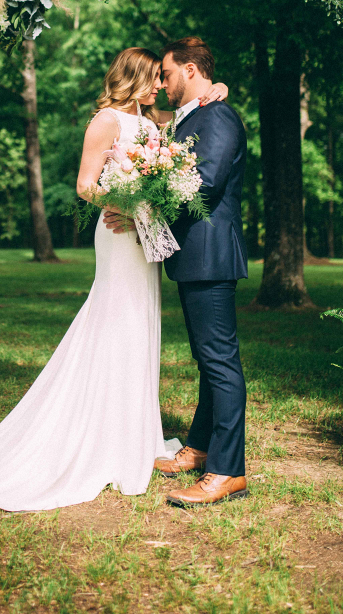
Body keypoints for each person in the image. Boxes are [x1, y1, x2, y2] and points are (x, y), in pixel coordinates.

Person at [0, 46, 227, 511]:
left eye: (164, 79)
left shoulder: (153, 120)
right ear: (135, 78)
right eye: (154, 78)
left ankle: (129, 436)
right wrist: (125, 203)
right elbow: (84, 185)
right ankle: (97, 439)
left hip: (145, 236)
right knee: (115, 322)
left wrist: (218, 89)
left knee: (138, 327)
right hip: (120, 232)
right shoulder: (105, 122)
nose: (161, 85)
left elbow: (191, 110)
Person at [105, 37, 249, 508]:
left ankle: (227, 471)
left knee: (221, 362)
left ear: (189, 70)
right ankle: (201, 446)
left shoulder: (218, 116)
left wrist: (141, 214)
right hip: (193, 257)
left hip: (210, 256)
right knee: (209, 361)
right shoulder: (191, 117)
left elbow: (203, 184)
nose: (161, 83)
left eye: (166, 74)